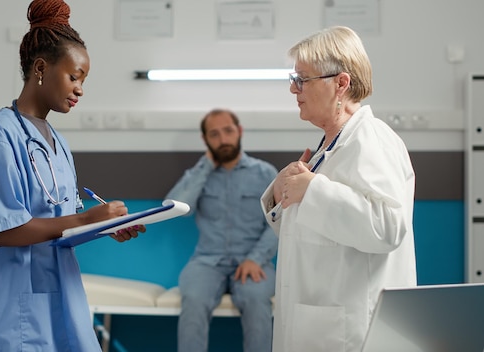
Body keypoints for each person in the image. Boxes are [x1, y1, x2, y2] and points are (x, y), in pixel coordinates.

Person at [0, 1, 145, 351]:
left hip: (61, 294)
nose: (80, 89)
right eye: (74, 76)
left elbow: (60, 225)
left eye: (84, 80)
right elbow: (2, 230)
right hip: (12, 305)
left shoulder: (56, 142)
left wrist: (101, 227)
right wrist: (87, 217)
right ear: (41, 68)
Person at [260, 26, 417, 352]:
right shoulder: (328, 147)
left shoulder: (372, 138)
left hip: (351, 330)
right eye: (294, 79)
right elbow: (314, 233)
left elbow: (387, 227)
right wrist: (282, 193)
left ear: (341, 83)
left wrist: (313, 189)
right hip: (319, 321)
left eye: (302, 79)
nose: (294, 89)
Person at [166, 109, 279, 352]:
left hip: (254, 262)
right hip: (207, 262)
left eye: (228, 131)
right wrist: (206, 166)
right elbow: (175, 208)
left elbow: (277, 222)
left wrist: (255, 258)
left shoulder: (265, 173)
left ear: (239, 131)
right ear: (205, 140)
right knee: (194, 300)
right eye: (214, 134)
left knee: (256, 300)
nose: (223, 140)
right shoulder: (197, 174)